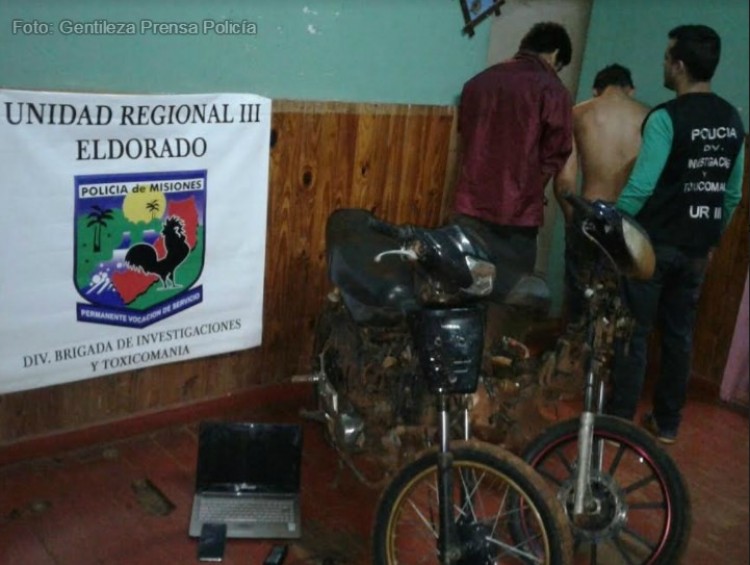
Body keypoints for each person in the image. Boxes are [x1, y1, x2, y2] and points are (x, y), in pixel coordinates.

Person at [607, 25, 746, 444]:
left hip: (653, 247)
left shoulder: (666, 118)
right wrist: (711, 236)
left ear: (680, 65)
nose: (664, 64)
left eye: (668, 57)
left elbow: (641, 187)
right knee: (679, 337)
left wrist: (612, 230)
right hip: (697, 250)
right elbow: (732, 193)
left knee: (633, 333)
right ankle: (667, 422)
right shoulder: (732, 120)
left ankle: (619, 420)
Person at [452, 21, 574, 309]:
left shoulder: (477, 83)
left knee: (465, 290)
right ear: (555, 55)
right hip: (517, 217)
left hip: (470, 206)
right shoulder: (553, 90)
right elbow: (555, 154)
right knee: (511, 298)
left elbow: (466, 138)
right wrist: (533, 190)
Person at [554, 64, 650, 326]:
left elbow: (564, 182)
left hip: (588, 212)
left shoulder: (579, 113)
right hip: (628, 221)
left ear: (596, 90)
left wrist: (572, 219)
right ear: (630, 90)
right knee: (620, 303)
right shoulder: (650, 118)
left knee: (580, 300)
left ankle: (575, 344)